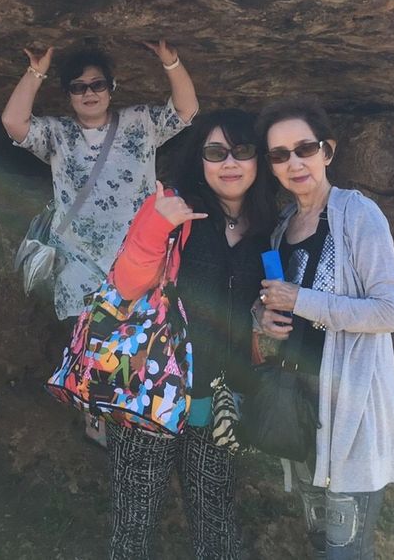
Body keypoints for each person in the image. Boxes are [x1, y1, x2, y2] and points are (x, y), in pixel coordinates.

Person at [106, 109, 276, 559]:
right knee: (134, 522)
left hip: (219, 397)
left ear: (258, 160)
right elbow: (126, 285)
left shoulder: (267, 228)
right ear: (199, 160)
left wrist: (266, 318)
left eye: (241, 151)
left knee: (215, 522)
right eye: (215, 153)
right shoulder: (172, 210)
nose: (230, 163)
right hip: (152, 391)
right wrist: (155, 225)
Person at [253, 98, 394, 560]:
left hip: (350, 411)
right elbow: (277, 304)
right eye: (280, 155)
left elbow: (392, 312)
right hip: (300, 406)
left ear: (328, 151)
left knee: (346, 551)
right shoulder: (283, 226)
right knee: (319, 540)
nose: (295, 163)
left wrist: (300, 300)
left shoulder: (358, 215)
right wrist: (263, 318)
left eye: (305, 148)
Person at [1, 42, 199, 320]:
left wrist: (171, 62)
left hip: (137, 263)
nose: (89, 93)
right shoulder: (58, 133)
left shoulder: (140, 122)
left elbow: (185, 110)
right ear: (68, 94)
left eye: (97, 84)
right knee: (83, 344)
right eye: (78, 87)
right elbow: (13, 122)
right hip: (78, 271)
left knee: (139, 342)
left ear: (111, 87)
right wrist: (36, 72)